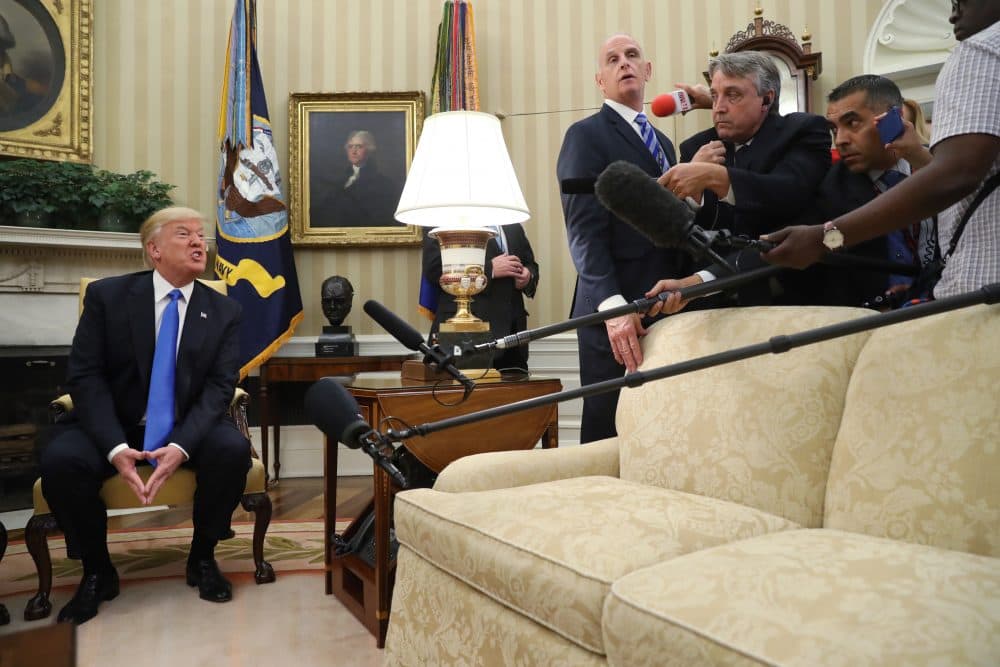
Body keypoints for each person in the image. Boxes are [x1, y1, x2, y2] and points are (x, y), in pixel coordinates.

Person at [40, 207, 251, 624]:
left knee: (232, 450)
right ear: (153, 249)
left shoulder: (224, 311)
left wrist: (181, 445)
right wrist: (116, 446)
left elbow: (219, 388)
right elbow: (85, 377)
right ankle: (98, 571)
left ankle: (203, 557)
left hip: (186, 423)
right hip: (113, 422)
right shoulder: (108, 297)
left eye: (200, 234)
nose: (198, 242)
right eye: (183, 234)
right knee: (61, 461)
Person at [763, 1, 1000, 300]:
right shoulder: (828, 189)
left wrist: (921, 158)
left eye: (852, 123)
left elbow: (956, 186)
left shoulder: (980, 55)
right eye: (835, 129)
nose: (841, 140)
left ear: (893, 118)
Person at [556, 33, 692, 443]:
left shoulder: (665, 144)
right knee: (607, 433)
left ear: (647, 70)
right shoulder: (586, 135)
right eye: (613, 60)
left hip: (664, 307)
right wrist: (612, 307)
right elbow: (582, 228)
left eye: (632, 56)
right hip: (611, 312)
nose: (624, 64)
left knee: (658, 431)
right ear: (601, 81)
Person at [655, 51, 830, 307]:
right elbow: (683, 239)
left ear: (766, 99)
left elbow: (790, 193)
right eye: (714, 96)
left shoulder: (803, 131)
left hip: (789, 302)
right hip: (707, 308)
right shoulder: (697, 148)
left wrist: (718, 178)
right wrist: (694, 197)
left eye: (733, 95)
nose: (718, 107)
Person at [422, 223, 538, 372]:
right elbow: (435, 268)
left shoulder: (511, 221)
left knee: (517, 394)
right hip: (465, 337)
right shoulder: (445, 217)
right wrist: (489, 269)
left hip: (513, 338)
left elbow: (530, 263)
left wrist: (528, 276)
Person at [311, 129, 403, 228]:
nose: (353, 151)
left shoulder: (384, 184)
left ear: (369, 150)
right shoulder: (339, 178)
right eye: (350, 147)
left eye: (359, 146)